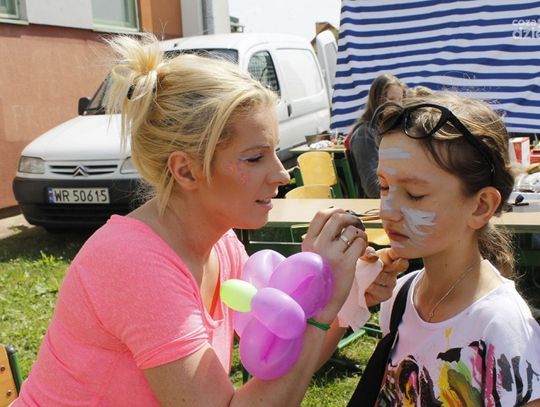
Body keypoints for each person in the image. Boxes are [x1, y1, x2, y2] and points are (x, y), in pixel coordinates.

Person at [15, 34, 404, 406]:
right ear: (186, 170)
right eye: (255, 158)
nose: (282, 175)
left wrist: (347, 299)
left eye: (275, 152)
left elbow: (281, 367)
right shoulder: (134, 264)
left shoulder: (221, 245)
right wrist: (324, 306)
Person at [349, 92, 540, 405]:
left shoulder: (502, 328)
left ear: (481, 206)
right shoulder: (398, 298)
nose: (388, 211)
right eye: (384, 187)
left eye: (415, 194)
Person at [348, 74, 406, 198]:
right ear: (377, 100)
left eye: (400, 100)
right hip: (379, 203)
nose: (398, 105)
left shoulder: (394, 130)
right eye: (391, 99)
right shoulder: (364, 135)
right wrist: (405, 192)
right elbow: (372, 187)